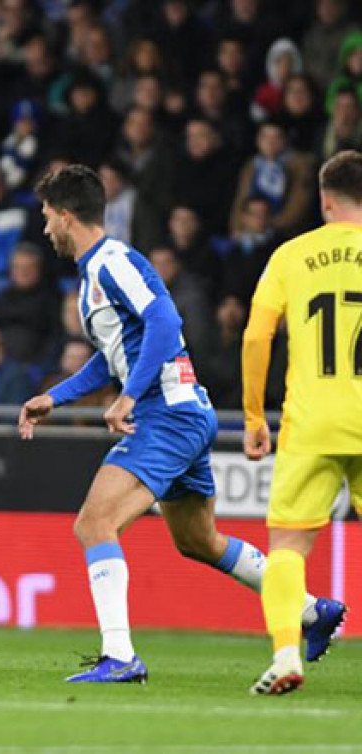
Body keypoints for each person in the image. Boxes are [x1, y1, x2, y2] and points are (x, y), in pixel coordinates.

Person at [16, 165, 339, 684]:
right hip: (182, 412)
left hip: (166, 415)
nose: (45, 227)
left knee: (94, 524)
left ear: (67, 215)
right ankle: (310, 611)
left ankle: (120, 656)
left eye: (47, 215)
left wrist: (128, 397)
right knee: (198, 540)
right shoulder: (94, 274)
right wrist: (56, 397)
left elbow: (166, 322)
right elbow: (113, 357)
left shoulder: (113, 262)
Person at [241, 150, 360, 695]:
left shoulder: (291, 255)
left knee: (288, 545)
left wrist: (253, 414)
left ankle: (287, 654)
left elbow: (256, 336)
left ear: (324, 199)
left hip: (312, 421)